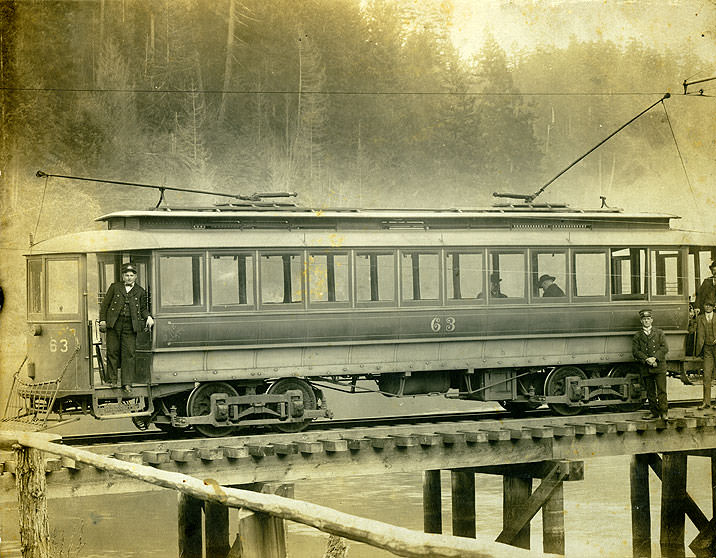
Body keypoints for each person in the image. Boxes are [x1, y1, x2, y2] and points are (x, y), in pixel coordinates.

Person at [99, 263, 154, 391]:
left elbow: (143, 309)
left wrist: (149, 317)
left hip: (130, 326)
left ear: (135, 276)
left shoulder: (140, 291)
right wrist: (103, 320)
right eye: (126, 275)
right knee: (112, 351)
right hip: (114, 324)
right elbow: (105, 305)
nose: (129, 278)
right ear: (123, 276)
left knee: (128, 354)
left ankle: (127, 383)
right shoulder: (114, 287)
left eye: (131, 275)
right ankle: (112, 380)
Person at [631, 309, 669, 420]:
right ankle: (654, 412)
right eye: (644, 319)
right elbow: (635, 351)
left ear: (652, 320)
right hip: (646, 367)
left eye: (648, 319)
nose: (646, 321)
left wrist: (654, 358)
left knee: (662, 390)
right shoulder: (637, 335)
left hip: (659, 366)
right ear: (641, 321)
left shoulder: (659, 333)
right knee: (650, 392)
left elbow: (664, 348)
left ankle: (664, 412)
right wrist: (647, 359)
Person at [695, 299, 716, 409]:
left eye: (710, 305)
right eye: (706, 305)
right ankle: (706, 402)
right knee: (707, 376)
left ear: (713, 307)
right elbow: (693, 329)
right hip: (707, 349)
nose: (707, 307)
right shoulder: (700, 318)